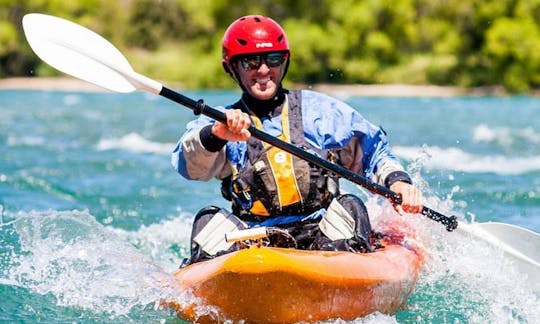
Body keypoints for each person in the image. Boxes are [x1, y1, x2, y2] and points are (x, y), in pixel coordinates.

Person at [171, 15, 423, 264]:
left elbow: (374, 151)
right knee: (207, 221)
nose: (263, 70)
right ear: (231, 68)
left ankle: (339, 279)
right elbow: (189, 167)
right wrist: (216, 136)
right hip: (253, 241)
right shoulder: (222, 122)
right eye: (250, 62)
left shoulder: (321, 112)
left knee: (351, 205)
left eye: (273, 59)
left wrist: (398, 182)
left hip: (323, 232)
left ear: (285, 62)